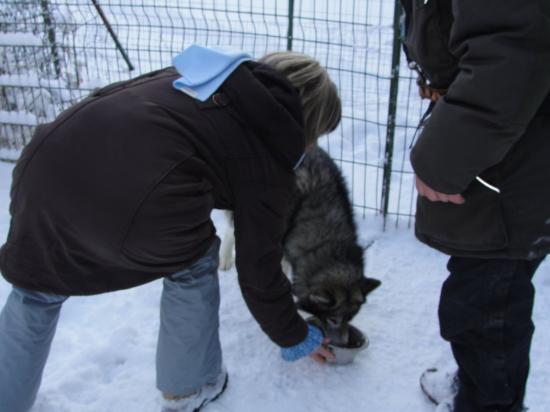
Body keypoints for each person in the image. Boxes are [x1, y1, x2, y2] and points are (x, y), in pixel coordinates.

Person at [0, 45, 340, 412]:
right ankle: (190, 386)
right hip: (122, 195)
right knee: (192, 263)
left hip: (42, 166)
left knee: (37, 288)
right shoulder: (269, 152)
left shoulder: (204, 76)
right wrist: (295, 336)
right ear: (307, 121)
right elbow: (259, 269)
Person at [400, 1, 550, 411]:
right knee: (488, 294)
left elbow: (510, 55)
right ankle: (478, 388)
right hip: (510, 149)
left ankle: (487, 402)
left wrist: (440, 161)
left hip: (517, 162)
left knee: (487, 312)